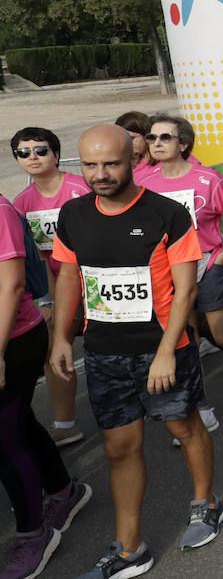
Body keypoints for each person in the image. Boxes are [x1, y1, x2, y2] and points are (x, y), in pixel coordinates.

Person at [50, 125, 223, 576]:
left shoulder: (166, 213)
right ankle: (130, 548)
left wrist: (169, 351)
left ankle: (205, 503)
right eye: (90, 165)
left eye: (110, 163)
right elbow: (69, 277)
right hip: (105, 351)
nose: (100, 174)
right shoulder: (72, 214)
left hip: (162, 347)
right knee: (119, 448)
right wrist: (60, 339)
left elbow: (186, 290)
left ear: (132, 159)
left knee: (183, 427)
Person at [140, 116, 223, 416]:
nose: (157, 144)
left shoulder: (207, 179)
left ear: (184, 144)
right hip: (169, 270)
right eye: (152, 138)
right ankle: (201, 406)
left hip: (206, 264)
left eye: (165, 137)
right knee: (188, 340)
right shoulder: (144, 184)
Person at [0, 188, 90, 579]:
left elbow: (11, 285)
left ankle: (32, 534)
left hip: (13, 340)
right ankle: (64, 490)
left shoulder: (0, 210)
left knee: (3, 438)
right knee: (17, 422)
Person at [11, 127, 90, 449]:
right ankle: (65, 424)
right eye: (24, 152)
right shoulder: (20, 203)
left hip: (101, 281)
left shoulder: (80, 188)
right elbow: (38, 257)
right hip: (59, 286)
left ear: (56, 154)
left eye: (40, 150)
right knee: (56, 351)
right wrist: (52, 299)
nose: (33, 157)